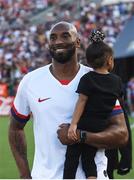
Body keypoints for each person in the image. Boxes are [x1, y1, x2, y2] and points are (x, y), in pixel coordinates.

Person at [8, 21, 128, 179]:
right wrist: (24, 174)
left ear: (78, 42)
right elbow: (15, 128)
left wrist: (80, 136)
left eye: (65, 36)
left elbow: (121, 135)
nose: (58, 41)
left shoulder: (99, 79)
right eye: (53, 38)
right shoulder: (30, 81)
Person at [63, 30, 124, 179]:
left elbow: (81, 102)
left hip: (84, 124)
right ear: (110, 60)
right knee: (89, 158)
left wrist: (73, 125)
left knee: (72, 157)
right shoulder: (117, 81)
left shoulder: (88, 78)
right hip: (101, 127)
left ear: (89, 61)